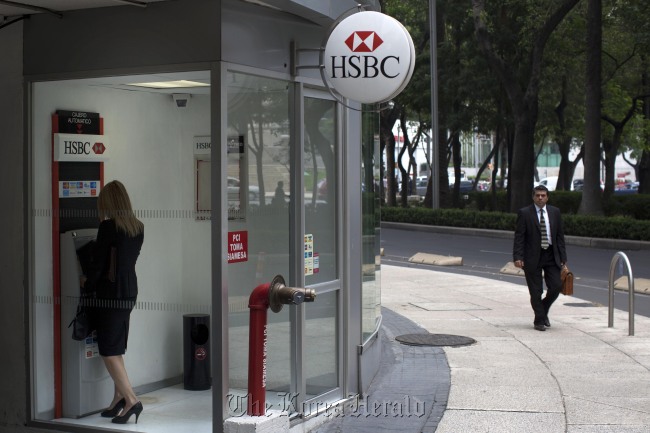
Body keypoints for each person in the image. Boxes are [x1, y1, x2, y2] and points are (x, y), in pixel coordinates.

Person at [80, 180, 144, 424]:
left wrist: (88, 282)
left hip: (109, 295)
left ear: (109, 203)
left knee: (108, 350)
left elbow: (98, 264)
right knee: (116, 346)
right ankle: (118, 398)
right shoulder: (138, 227)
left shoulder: (108, 227)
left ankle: (131, 400)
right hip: (129, 292)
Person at [513, 184, 567, 331]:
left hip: (551, 254)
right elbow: (519, 236)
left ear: (547, 197)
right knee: (536, 291)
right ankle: (539, 321)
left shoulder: (555, 212)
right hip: (532, 256)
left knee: (556, 286)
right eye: (538, 195)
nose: (540, 198)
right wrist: (518, 256)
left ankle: (542, 310)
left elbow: (559, 236)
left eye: (543, 195)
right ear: (533, 197)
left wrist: (563, 257)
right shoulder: (525, 213)